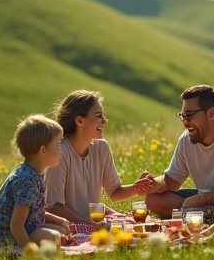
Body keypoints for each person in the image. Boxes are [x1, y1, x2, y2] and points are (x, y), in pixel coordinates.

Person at [142, 84, 214, 220]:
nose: (184, 122)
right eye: (182, 115)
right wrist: (155, 184)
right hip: (203, 198)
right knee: (152, 200)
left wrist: (198, 201)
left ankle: (197, 216)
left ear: (211, 113)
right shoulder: (185, 140)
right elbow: (172, 180)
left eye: (189, 115)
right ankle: (206, 216)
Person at [45, 90, 152, 224]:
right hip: (67, 225)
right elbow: (53, 207)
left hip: (93, 222)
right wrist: (88, 225)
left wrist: (136, 188)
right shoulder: (59, 153)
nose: (105, 120)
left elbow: (114, 192)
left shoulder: (101, 148)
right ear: (79, 121)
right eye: (99, 115)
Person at [0, 114, 72, 249]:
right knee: (54, 237)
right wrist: (29, 251)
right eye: (58, 145)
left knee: (63, 230)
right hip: (5, 237)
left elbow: (34, 211)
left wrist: (59, 220)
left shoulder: (33, 173)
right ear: (43, 150)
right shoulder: (27, 181)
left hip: (29, 227)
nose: (61, 150)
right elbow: (16, 225)